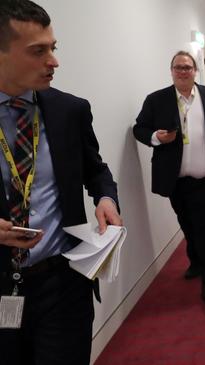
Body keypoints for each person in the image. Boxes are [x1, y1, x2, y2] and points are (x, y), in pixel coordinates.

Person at [0, 1, 122, 364]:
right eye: (38, 51)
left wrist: (106, 199)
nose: (53, 61)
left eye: (54, 48)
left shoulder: (70, 110)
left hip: (63, 282)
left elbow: (95, 170)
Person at [133, 51, 205, 301]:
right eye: (178, 67)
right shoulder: (156, 100)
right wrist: (155, 138)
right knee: (187, 223)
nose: (183, 71)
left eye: (187, 67)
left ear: (195, 70)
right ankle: (196, 261)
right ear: (171, 71)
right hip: (176, 180)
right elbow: (139, 128)